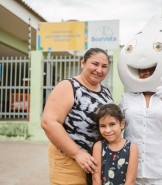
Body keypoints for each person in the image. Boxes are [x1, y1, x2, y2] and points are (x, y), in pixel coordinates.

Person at [41, 48, 113, 185]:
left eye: (104, 66)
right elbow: (48, 122)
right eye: (95, 64)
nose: (99, 69)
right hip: (69, 161)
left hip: (96, 164)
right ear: (83, 63)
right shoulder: (68, 86)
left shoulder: (105, 92)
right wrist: (77, 153)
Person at [91, 103, 138, 185]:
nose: (107, 130)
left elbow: (130, 181)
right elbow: (96, 179)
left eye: (112, 124)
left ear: (122, 124)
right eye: (102, 126)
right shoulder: (98, 146)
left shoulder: (132, 148)